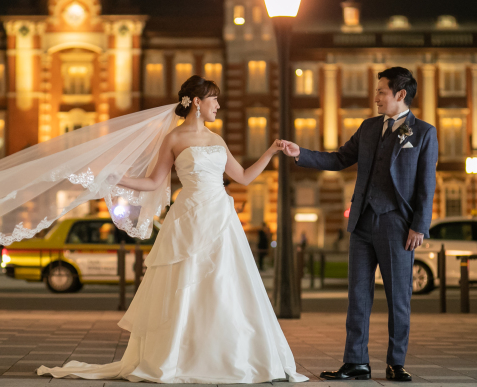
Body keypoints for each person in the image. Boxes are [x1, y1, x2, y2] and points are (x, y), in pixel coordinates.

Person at [38, 76, 308, 383]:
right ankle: (180, 355)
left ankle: (229, 354)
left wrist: (272, 150)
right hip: (189, 218)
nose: (218, 105)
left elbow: (244, 177)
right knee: (187, 285)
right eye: (214, 100)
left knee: (225, 284)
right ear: (197, 102)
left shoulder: (217, 140)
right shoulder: (174, 139)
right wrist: (118, 178)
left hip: (221, 217)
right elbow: (154, 182)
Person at [280, 67, 437, 382]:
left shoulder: (422, 132)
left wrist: (419, 226)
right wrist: (302, 155)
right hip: (362, 222)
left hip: (398, 223)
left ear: (400, 95)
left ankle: (396, 362)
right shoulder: (368, 128)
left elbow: (426, 183)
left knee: (398, 297)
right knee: (358, 296)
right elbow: (339, 159)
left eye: (381, 91)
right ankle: (356, 362)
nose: (376, 96)